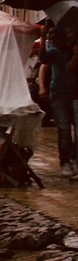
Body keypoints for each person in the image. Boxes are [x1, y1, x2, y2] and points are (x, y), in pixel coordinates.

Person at [39, 25, 78, 178]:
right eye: (52, 38)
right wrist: (42, 38)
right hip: (58, 94)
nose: (54, 41)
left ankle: (74, 159)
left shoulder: (71, 49)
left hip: (74, 94)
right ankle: (65, 162)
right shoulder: (54, 52)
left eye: (56, 38)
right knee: (64, 130)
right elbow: (43, 60)